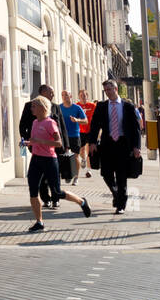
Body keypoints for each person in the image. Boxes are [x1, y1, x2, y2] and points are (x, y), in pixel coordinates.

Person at [22, 95, 92, 231]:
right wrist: (28, 143)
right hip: (36, 159)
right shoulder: (35, 122)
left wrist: (40, 142)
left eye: (34, 106)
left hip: (49, 160)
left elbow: (58, 143)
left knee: (57, 192)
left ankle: (81, 202)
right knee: (32, 191)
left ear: (42, 107)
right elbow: (35, 140)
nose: (31, 109)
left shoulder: (50, 123)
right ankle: (39, 222)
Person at [86, 79, 142, 214]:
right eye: (105, 91)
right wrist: (92, 142)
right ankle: (116, 192)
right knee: (106, 173)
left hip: (123, 143)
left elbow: (136, 128)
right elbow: (94, 125)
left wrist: (136, 147)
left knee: (122, 174)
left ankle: (121, 204)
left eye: (109, 90)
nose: (108, 93)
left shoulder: (128, 106)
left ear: (116, 89)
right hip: (107, 143)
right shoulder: (101, 106)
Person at [59, 89, 88, 183]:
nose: (64, 97)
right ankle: (67, 175)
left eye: (66, 95)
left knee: (75, 156)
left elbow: (85, 121)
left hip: (74, 135)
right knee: (64, 156)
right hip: (63, 136)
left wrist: (77, 120)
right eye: (63, 95)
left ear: (70, 96)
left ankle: (76, 177)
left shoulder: (77, 108)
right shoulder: (59, 108)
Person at [77, 89, 97, 176]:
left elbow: (97, 118)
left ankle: (89, 170)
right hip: (80, 131)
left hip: (90, 130)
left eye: (84, 95)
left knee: (89, 150)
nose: (83, 97)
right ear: (79, 96)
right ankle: (83, 159)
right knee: (81, 150)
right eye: (81, 95)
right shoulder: (77, 106)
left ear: (87, 96)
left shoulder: (92, 105)